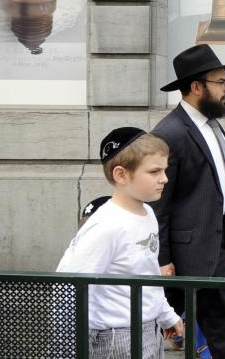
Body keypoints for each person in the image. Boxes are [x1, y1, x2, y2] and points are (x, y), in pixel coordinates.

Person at [150, 45, 225, 359]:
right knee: (218, 324)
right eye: (221, 82)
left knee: (214, 324)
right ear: (196, 87)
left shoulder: (210, 121)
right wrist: (163, 259)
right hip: (186, 256)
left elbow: (218, 178)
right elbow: (158, 204)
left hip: (214, 242)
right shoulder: (170, 133)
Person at [56, 128, 184, 359]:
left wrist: (166, 316)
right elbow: (69, 286)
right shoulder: (106, 225)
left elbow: (148, 274)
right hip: (115, 338)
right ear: (121, 175)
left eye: (164, 170)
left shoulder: (148, 213)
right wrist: (67, 349)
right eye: (155, 171)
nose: (165, 178)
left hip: (149, 329)